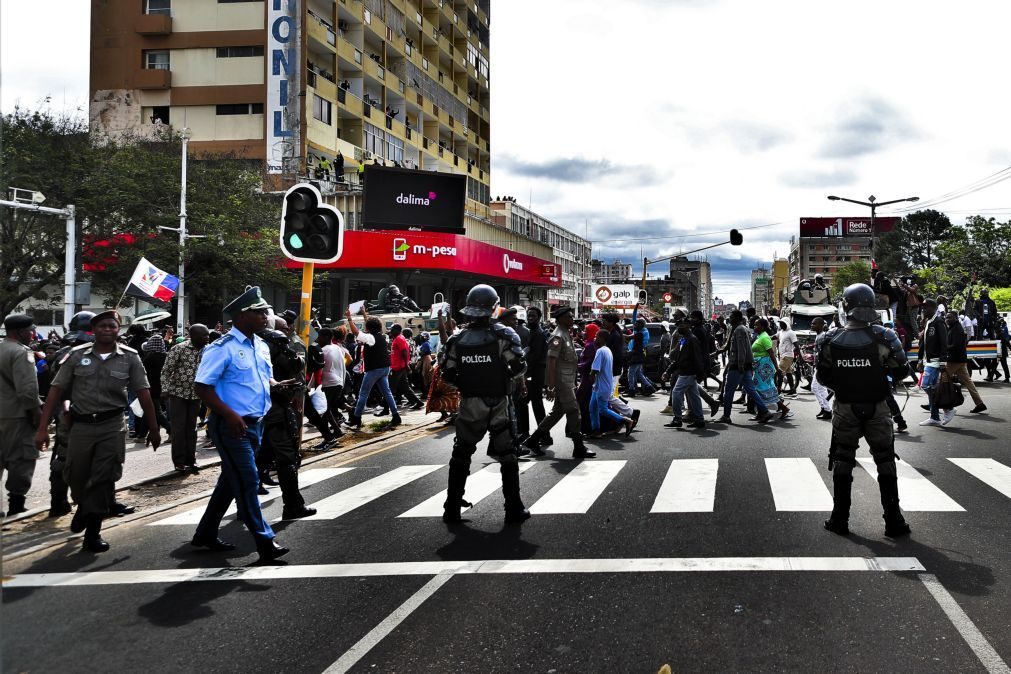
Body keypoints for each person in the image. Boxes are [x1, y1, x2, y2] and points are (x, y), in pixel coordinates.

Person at [35, 310, 161, 552]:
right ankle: (83, 507)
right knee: (75, 476)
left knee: (103, 478)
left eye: (112, 326)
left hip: (112, 425)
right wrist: (42, 428)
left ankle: (92, 533)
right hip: (80, 425)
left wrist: (154, 428)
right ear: (94, 330)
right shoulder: (76, 356)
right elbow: (55, 391)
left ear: (118, 329)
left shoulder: (130, 357)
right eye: (102, 326)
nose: (108, 330)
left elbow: (144, 393)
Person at [190, 287, 289, 562]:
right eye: (259, 312)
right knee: (247, 481)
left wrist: (276, 386)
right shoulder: (221, 348)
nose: (264, 317)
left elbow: (263, 377)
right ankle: (265, 542)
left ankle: (206, 533)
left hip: (256, 423)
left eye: (264, 312)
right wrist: (230, 415)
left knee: (230, 481)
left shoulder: (260, 345)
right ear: (241, 316)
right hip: (232, 426)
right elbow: (202, 386)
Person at [816, 283, 911, 538]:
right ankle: (894, 520)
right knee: (885, 459)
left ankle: (839, 519)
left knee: (843, 459)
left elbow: (823, 376)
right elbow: (902, 370)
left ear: (845, 306)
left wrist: (847, 382)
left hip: (845, 406)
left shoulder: (829, 338)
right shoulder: (884, 336)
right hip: (878, 406)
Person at [438, 284, 530, 524]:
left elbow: (447, 375)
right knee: (508, 455)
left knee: (461, 454)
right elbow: (519, 366)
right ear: (493, 307)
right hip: (499, 402)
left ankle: (452, 507)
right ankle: (513, 507)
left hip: (470, 403)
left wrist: (468, 382)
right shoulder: (504, 335)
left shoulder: (457, 338)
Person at [258, 328, 317, 519]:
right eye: (281, 343)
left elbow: (297, 367)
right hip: (271, 412)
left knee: (259, 458)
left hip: (272, 409)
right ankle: (292, 506)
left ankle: (247, 506)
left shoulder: (267, 355)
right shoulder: (258, 354)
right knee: (286, 459)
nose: (286, 348)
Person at [523, 306, 595, 459]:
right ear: (560, 319)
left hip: (568, 380)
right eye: (569, 317)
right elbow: (551, 362)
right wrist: (550, 386)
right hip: (562, 382)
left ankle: (533, 440)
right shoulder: (557, 336)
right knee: (574, 411)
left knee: (556, 413)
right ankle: (579, 446)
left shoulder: (565, 334)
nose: (571, 319)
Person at [1, 314, 42, 517]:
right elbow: (27, 390)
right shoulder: (21, 352)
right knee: (21, 458)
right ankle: (16, 504)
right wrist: (36, 413)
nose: (33, 334)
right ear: (19, 333)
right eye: (30, 331)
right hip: (16, 416)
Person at [161, 323, 210, 473]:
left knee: (192, 428)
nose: (207, 338)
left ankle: (191, 460)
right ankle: (179, 462)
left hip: (196, 394)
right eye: (204, 336)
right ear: (193, 336)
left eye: (208, 335)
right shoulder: (179, 349)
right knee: (179, 428)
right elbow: (166, 371)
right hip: (178, 393)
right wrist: (165, 390)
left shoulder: (208, 351)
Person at [345, 307, 400, 429]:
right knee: (387, 393)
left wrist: (349, 318)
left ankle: (356, 419)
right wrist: (364, 314)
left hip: (374, 369)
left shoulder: (370, 338)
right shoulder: (381, 336)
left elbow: (355, 332)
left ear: (368, 328)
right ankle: (396, 416)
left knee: (363, 394)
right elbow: (370, 325)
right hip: (385, 368)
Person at [718, 310, 771, 424]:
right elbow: (729, 345)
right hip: (744, 365)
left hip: (738, 365)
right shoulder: (737, 329)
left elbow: (742, 349)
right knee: (750, 390)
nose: (729, 319)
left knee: (729, 390)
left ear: (737, 318)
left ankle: (726, 416)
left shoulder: (740, 330)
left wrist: (740, 364)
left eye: (731, 317)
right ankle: (765, 411)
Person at [588, 329, 634, 437]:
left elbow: (595, 368)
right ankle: (596, 431)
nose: (595, 338)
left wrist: (591, 375)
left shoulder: (600, 351)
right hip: (599, 386)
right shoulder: (607, 350)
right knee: (593, 408)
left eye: (596, 336)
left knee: (603, 409)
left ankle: (625, 420)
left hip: (602, 386)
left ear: (602, 338)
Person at [661, 322, 707, 429]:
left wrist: (700, 374)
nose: (678, 328)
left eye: (681, 326)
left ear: (688, 326)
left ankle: (677, 419)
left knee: (676, 393)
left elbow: (698, 357)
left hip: (688, 372)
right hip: (686, 372)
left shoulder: (692, 339)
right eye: (678, 326)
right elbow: (677, 357)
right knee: (694, 397)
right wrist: (668, 371)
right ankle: (699, 420)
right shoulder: (684, 339)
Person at [945, 311, 987, 414]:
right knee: (968, 383)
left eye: (950, 317)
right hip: (959, 360)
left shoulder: (957, 329)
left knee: (941, 380)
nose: (947, 319)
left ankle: (936, 404)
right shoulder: (954, 328)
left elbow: (956, 346)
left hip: (955, 360)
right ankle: (980, 404)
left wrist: (944, 348)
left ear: (956, 317)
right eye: (946, 317)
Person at [377, 323, 423, 416]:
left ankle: (385, 409)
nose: (390, 331)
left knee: (389, 388)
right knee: (405, 387)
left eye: (392, 329)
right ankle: (417, 402)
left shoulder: (399, 338)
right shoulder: (397, 339)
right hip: (399, 367)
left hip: (398, 367)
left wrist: (406, 365)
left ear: (397, 330)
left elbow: (405, 352)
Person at [918, 299, 951, 427]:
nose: (923, 310)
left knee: (925, 385)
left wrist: (943, 361)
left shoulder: (938, 321)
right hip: (928, 361)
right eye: (922, 308)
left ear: (933, 307)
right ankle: (935, 417)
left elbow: (944, 342)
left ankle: (948, 408)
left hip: (936, 361)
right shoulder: (928, 322)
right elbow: (923, 343)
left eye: (925, 308)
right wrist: (920, 359)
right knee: (931, 387)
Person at [752, 318, 791, 420]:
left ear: (763, 327)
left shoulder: (764, 337)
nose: (754, 326)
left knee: (760, 389)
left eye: (757, 325)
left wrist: (777, 368)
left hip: (764, 368)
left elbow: (771, 353)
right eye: (755, 325)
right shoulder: (760, 336)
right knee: (763, 389)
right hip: (759, 367)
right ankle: (765, 412)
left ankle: (765, 412)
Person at [626, 304, 655, 396]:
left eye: (637, 323)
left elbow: (641, 343)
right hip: (636, 353)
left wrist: (632, 352)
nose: (634, 324)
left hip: (637, 354)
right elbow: (634, 317)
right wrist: (635, 307)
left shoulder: (642, 333)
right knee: (638, 373)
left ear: (641, 325)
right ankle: (648, 387)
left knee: (631, 373)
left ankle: (632, 390)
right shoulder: (637, 330)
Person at [809, 317, 833, 420]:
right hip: (819, 366)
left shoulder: (823, 336)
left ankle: (827, 409)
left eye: (814, 324)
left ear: (820, 325)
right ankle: (826, 409)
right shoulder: (819, 335)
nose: (812, 325)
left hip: (822, 367)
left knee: (815, 387)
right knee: (821, 388)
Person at [776, 319, 799, 395]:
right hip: (783, 355)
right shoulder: (781, 332)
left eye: (782, 323)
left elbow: (796, 345)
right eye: (780, 323)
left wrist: (800, 357)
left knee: (779, 372)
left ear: (786, 323)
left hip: (787, 356)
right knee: (788, 373)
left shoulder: (791, 333)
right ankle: (793, 390)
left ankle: (778, 391)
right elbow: (774, 337)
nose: (780, 325)